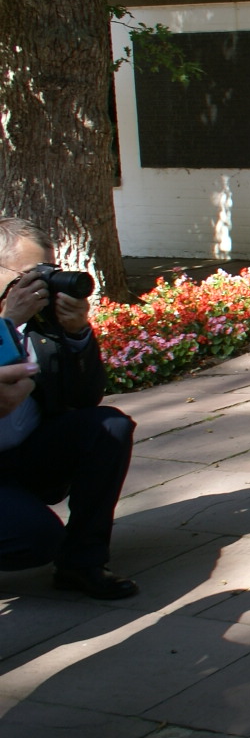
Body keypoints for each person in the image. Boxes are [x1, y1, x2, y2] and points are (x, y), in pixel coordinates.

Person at [0, 219, 138, 599]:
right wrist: (7, 324)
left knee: (108, 427)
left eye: (49, 272)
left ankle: (82, 563)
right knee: (36, 540)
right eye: (31, 275)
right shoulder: (16, 318)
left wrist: (78, 334)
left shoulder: (41, 322)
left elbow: (85, 398)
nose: (42, 285)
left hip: (24, 456)